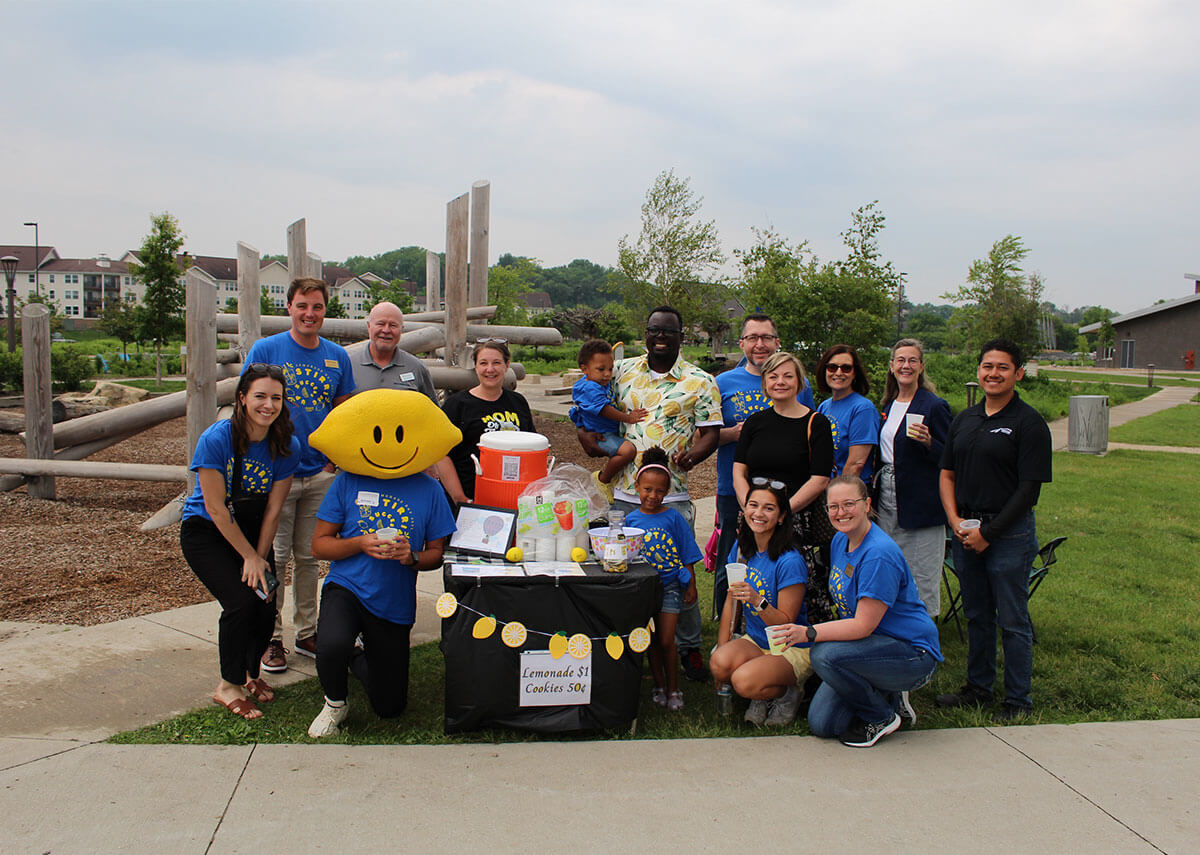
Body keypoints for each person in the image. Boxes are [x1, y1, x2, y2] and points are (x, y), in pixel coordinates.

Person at [304, 388, 461, 737]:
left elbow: (436, 554)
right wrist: (360, 543)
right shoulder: (347, 481)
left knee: (390, 708)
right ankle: (335, 704)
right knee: (331, 643)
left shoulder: (430, 489)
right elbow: (319, 546)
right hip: (347, 587)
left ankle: (356, 656)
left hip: (393, 601)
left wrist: (412, 557)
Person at [579, 305, 720, 682]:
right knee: (623, 573)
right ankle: (626, 643)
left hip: (671, 497)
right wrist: (586, 435)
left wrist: (694, 455)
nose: (660, 337)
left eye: (668, 332)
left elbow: (711, 432)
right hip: (625, 496)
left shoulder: (700, 381)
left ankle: (688, 647)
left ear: (680, 337)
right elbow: (592, 406)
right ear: (646, 333)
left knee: (681, 576)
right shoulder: (622, 372)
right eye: (654, 330)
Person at [773, 476, 943, 748]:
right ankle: (886, 692)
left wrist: (808, 632)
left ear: (867, 505)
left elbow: (862, 625)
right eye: (833, 507)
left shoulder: (878, 554)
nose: (841, 513)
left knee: (824, 653)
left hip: (911, 653)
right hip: (869, 647)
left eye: (849, 504)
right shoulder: (841, 541)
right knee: (823, 724)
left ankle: (882, 716)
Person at [243, 277, 356, 673]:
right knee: (272, 557)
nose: (310, 314)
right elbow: (248, 406)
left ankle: (307, 631)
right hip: (276, 474)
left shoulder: (336, 357)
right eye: (302, 306)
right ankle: (269, 638)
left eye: (318, 307)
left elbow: (344, 413)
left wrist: (334, 459)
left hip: (320, 473)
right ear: (289, 307)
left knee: (309, 557)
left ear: (326, 311)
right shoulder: (267, 349)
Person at [937, 339, 1052, 720]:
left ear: (1018, 373)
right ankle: (978, 687)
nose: (993, 373)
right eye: (987, 366)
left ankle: (1018, 699)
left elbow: (1028, 491)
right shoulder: (964, 420)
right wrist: (955, 522)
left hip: (1010, 534)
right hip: (966, 529)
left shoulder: (1029, 423)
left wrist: (991, 533)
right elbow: (947, 474)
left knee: (1013, 619)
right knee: (977, 614)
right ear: (978, 371)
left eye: (1002, 367)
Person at [180, 364, 301, 719]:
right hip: (207, 531)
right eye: (260, 396)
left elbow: (274, 509)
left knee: (265, 602)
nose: (268, 405)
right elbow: (216, 510)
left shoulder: (286, 445)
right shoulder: (217, 439)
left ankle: (251, 674)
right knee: (239, 604)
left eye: (276, 398)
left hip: (253, 529)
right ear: (242, 398)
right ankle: (228, 685)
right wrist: (248, 557)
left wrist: (260, 558)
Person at [712, 314, 815, 618]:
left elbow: (807, 429)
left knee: (784, 561)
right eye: (753, 338)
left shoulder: (800, 383)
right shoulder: (722, 383)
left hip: (788, 495)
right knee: (732, 560)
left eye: (767, 338)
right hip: (736, 492)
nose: (760, 344)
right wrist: (734, 433)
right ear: (741, 343)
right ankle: (726, 621)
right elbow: (703, 435)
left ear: (777, 342)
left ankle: (780, 623)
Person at [732, 351, 835, 623]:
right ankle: (749, 634)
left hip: (795, 519)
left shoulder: (816, 423)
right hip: (754, 518)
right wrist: (750, 507)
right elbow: (739, 470)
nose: (780, 381)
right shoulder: (755, 422)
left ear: (799, 382)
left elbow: (819, 479)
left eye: (788, 376)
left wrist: (782, 511)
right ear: (764, 383)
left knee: (798, 584)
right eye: (773, 376)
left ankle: (804, 646)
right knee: (752, 579)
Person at [710, 481, 812, 727]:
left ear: (781, 516)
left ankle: (788, 694)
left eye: (768, 508)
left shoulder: (789, 561)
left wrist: (757, 600)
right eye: (753, 505)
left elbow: (786, 622)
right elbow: (730, 603)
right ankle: (762, 690)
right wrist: (721, 647)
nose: (758, 513)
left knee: (743, 681)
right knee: (719, 662)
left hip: (789, 645)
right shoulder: (743, 550)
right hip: (756, 639)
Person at [876, 338, 952, 618]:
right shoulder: (888, 404)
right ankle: (893, 627)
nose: (906, 366)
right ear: (892, 366)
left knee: (920, 570)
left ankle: (924, 638)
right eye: (900, 360)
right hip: (886, 494)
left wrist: (931, 443)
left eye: (912, 361)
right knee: (888, 564)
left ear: (921, 367)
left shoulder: (934, 406)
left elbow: (952, 458)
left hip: (920, 500)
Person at [624, 448, 702, 712]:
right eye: (647, 489)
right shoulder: (630, 520)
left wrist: (690, 584)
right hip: (645, 589)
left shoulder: (674, 518)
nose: (652, 496)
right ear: (636, 487)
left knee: (667, 640)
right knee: (651, 639)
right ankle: (658, 685)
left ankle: (674, 688)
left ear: (667, 492)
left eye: (659, 491)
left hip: (670, 586)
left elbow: (687, 553)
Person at [439, 339, 535, 505]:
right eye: (483, 363)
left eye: (496, 363)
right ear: (475, 366)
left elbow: (532, 447)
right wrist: (459, 497)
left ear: (507, 365)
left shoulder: (518, 402)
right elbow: (442, 455)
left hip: (515, 496)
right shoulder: (457, 405)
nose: (490, 369)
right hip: (472, 496)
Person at [568, 339, 647, 495]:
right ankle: (603, 480)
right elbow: (604, 410)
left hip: (605, 431)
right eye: (601, 369)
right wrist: (628, 418)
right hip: (600, 435)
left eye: (610, 369)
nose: (607, 374)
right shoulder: (590, 387)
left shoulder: (597, 382)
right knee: (628, 451)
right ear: (584, 369)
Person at [815, 344, 879, 483]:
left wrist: (838, 496)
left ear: (855, 373)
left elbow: (856, 465)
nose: (838, 373)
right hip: (824, 487)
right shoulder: (823, 407)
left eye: (846, 368)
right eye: (832, 367)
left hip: (849, 491)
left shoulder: (863, 409)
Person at [351, 301, 437, 401]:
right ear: (369, 326)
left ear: (402, 329)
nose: (386, 330)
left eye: (393, 325)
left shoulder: (416, 367)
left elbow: (431, 410)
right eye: (381, 324)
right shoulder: (349, 366)